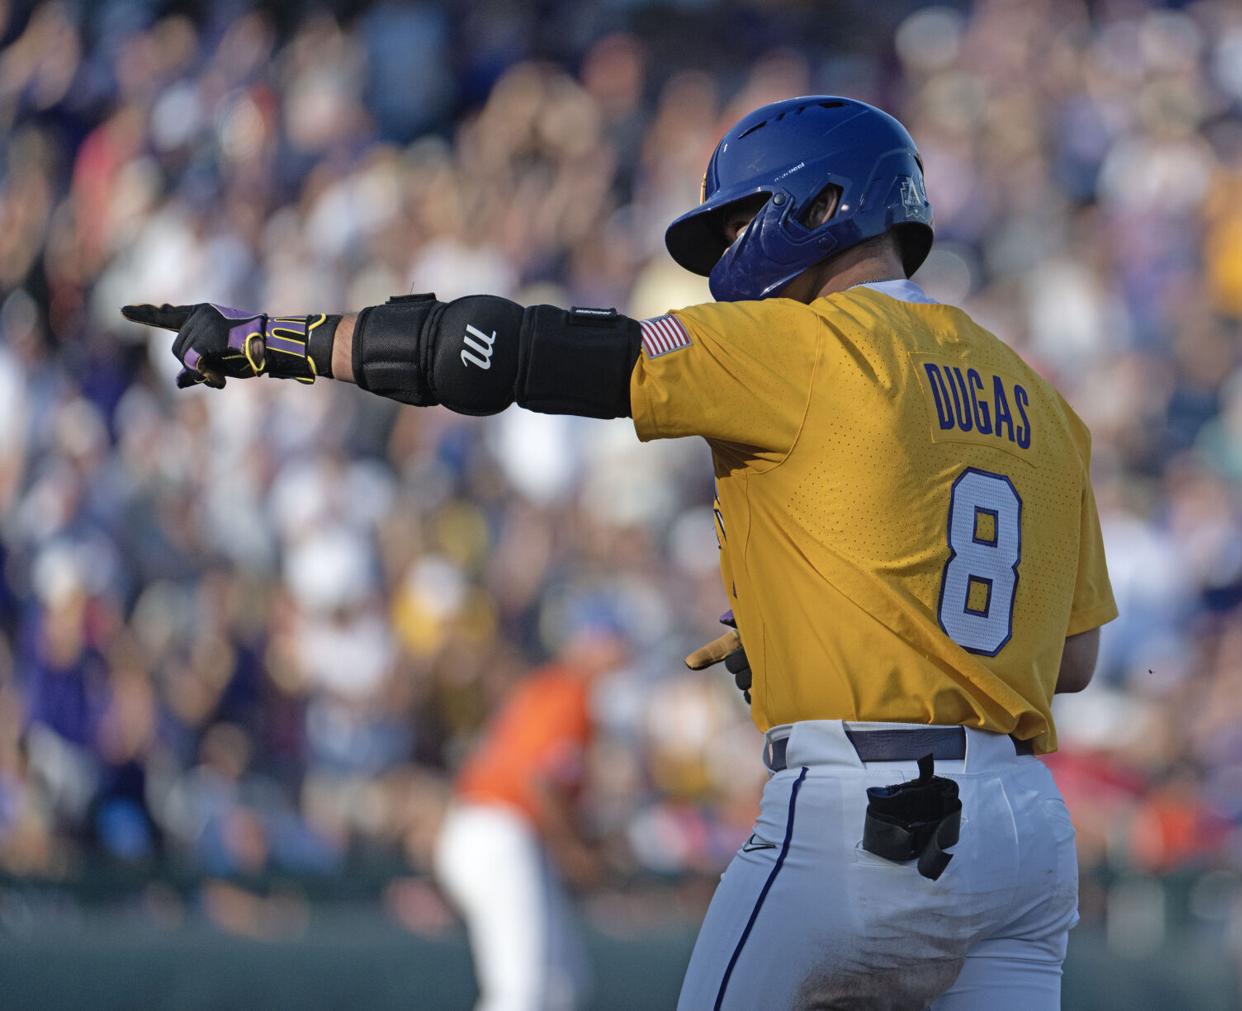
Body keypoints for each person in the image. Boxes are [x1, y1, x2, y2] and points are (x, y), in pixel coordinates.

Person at [123, 96, 1116, 1010]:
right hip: (1023, 840)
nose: (729, 246)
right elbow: (1069, 663)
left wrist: (273, 342)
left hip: (861, 820)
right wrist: (839, 622)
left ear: (820, 205)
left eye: (740, 219)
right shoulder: (1042, 400)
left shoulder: (805, 344)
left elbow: (505, 350)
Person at [433, 611, 621, 1011]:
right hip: (498, 831)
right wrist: (574, 852)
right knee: (523, 991)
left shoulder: (550, 688)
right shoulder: (569, 691)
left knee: (562, 984)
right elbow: (540, 782)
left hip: (493, 832)